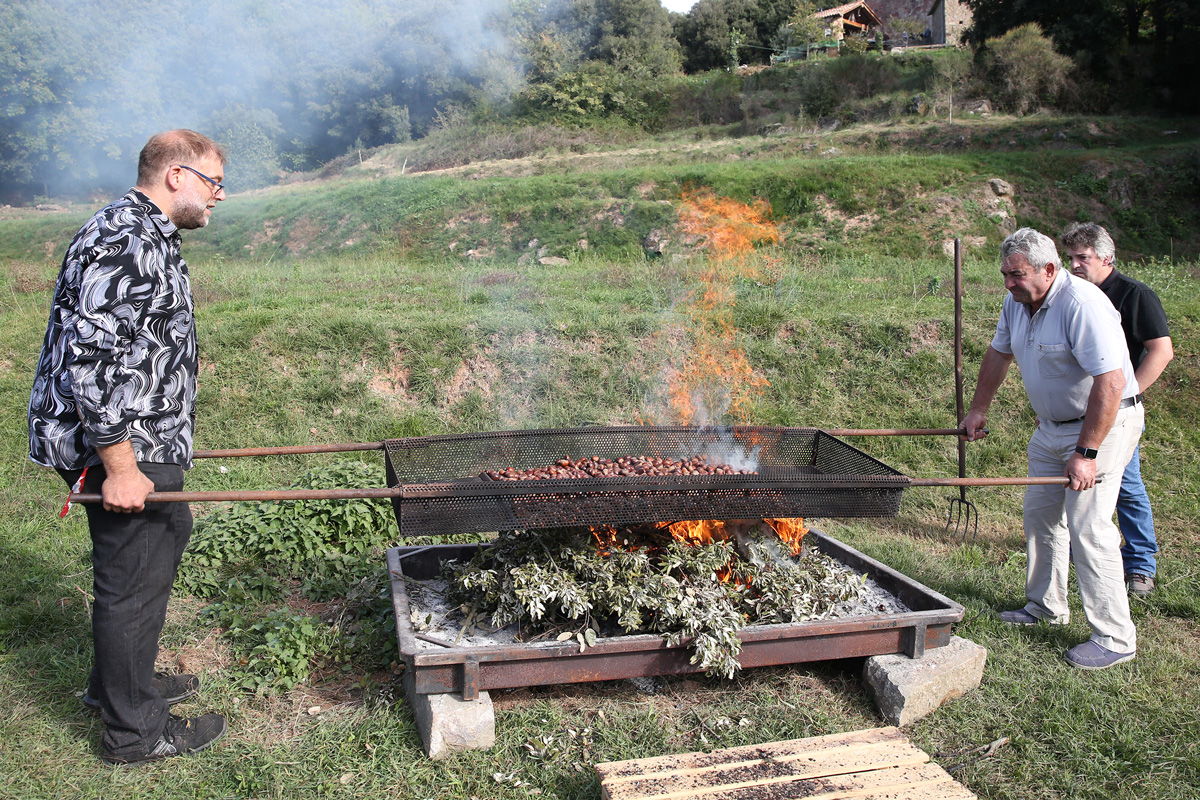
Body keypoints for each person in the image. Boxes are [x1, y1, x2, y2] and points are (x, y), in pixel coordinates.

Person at [28, 130, 229, 764]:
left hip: (152, 432)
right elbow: (87, 364)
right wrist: (117, 466)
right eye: (213, 182)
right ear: (176, 175)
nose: (219, 196)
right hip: (124, 445)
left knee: (162, 542)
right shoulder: (124, 239)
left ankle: (124, 685)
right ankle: (133, 734)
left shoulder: (147, 234)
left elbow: (131, 333)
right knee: (132, 577)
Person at [960, 227, 1143, 670]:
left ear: (1048, 268)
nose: (1008, 283)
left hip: (1104, 425)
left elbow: (1112, 382)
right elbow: (999, 353)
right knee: (1041, 515)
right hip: (1051, 428)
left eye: (1016, 275)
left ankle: (1116, 637)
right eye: (1004, 274)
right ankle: (1045, 607)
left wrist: (1088, 453)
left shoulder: (1082, 305)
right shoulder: (1017, 302)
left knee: (1089, 526)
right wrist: (979, 407)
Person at [1061, 222, 1173, 597]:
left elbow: (1161, 350)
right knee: (1080, 481)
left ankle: (1140, 564)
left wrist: (1130, 393)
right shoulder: (1072, 296)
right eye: (1071, 258)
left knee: (1127, 485)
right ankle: (1084, 549)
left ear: (1106, 258)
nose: (1075, 265)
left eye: (1083, 258)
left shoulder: (1134, 295)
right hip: (1079, 408)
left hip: (1115, 407)